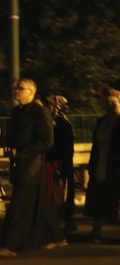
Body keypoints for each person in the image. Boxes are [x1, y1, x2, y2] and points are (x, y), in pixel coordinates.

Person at [0, 79, 66, 257]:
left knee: (19, 206)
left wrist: (21, 152)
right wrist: (8, 146)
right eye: (16, 88)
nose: (16, 91)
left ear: (31, 92)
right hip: (18, 164)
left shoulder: (40, 112)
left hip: (32, 167)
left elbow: (46, 141)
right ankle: (56, 237)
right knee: (41, 203)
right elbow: (14, 135)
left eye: (21, 88)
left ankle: (10, 244)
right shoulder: (16, 112)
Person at [84, 87, 120, 243]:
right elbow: (96, 144)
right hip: (102, 161)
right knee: (100, 196)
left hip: (115, 163)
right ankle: (95, 231)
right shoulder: (102, 121)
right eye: (108, 102)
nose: (110, 105)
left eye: (114, 102)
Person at [45, 95, 76, 232]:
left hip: (59, 161)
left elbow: (66, 147)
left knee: (60, 193)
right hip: (52, 160)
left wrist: (64, 165)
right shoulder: (51, 121)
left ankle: (65, 220)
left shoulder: (62, 123)